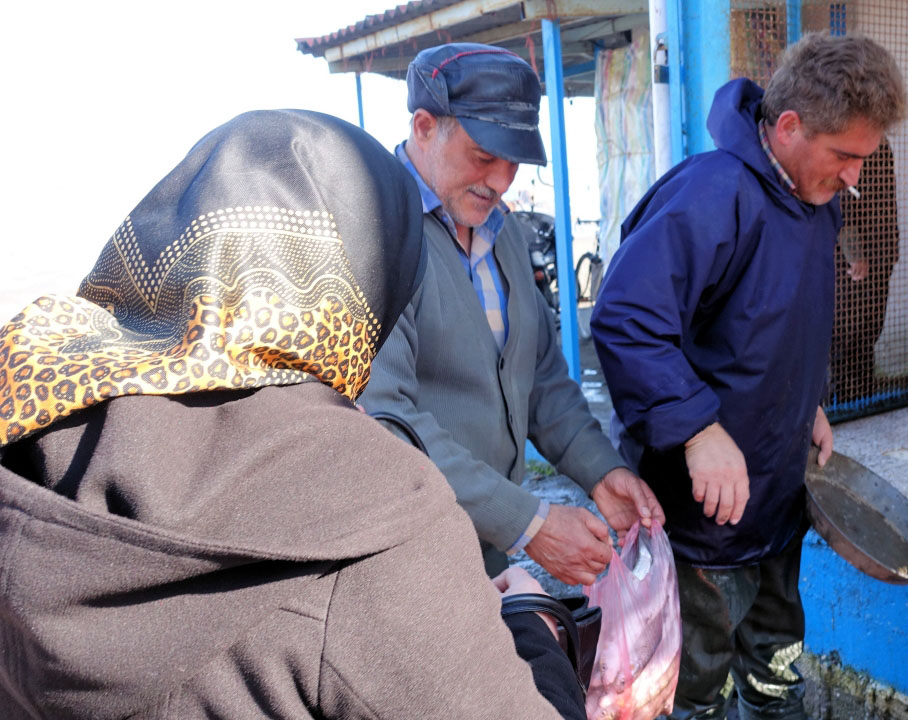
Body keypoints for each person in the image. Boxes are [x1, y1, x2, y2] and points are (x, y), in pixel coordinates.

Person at [0, 109, 585, 719]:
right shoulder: (374, 508)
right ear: (370, 280)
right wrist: (533, 629)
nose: (501, 178)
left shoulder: (33, 409)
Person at [591, 33, 907, 720]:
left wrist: (809, 402)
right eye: (845, 156)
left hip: (775, 499)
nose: (854, 176)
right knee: (693, 688)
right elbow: (625, 320)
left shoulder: (817, 202)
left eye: (864, 159)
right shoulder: (711, 193)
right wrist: (697, 428)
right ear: (789, 127)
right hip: (699, 519)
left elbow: (783, 321)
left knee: (777, 675)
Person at [359, 43, 663, 588]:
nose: (500, 180)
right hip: (401, 564)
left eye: (514, 159)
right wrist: (528, 522)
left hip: (484, 560)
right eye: (483, 156)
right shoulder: (376, 233)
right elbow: (384, 423)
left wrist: (602, 470)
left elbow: (541, 378)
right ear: (424, 126)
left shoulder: (506, 235)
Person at [831, 138, 900, 403]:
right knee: (845, 335)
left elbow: (885, 202)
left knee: (869, 331)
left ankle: (863, 399)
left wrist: (885, 254)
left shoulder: (879, 144)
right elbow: (841, 200)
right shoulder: (849, 140)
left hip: (880, 256)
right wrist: (854, 252)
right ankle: (844, 401)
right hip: (854, 263)